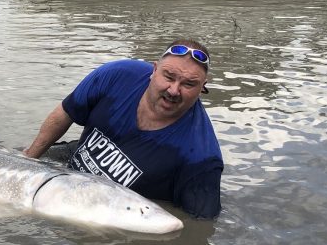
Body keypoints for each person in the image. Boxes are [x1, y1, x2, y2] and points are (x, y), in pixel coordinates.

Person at [24, 39, 223, 219]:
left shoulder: (201, 158)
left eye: (189, 84)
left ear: (202, 88)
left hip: (117, 206)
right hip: (75, 158)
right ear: (154, 71)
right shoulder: (118, 74)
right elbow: (65, 113)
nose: (174, 90)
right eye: (169, 77)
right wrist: (29, 159)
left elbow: (199, 227)